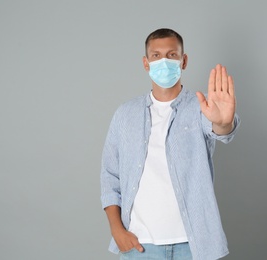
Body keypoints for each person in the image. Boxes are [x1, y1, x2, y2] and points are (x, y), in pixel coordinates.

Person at [100, 28, 240, 260]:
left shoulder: (202, 107)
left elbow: (222, 130)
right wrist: (117, 230)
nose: (164, 61)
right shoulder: (125, 115)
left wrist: (224, 123)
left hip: (194, 245)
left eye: (172, 55)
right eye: (156, 56)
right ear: (146, 63)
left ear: (183, 61)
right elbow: (109, 176)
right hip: (140, 245)